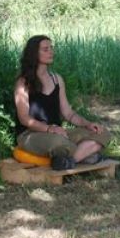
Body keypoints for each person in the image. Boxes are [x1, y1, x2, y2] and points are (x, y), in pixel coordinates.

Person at [14, 35, 111, 171]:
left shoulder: (57, 79)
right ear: (34, 53)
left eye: (51, 48)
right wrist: (49, 129)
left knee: (102, 133)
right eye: (45, 49)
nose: (51, 52)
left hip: (58, 133)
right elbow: (24, 119)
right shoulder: (24, 82)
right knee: (61, 143)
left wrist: (87, 124)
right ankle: (86, 155)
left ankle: (70, 160)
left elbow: (68, 113)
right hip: (31, 135)